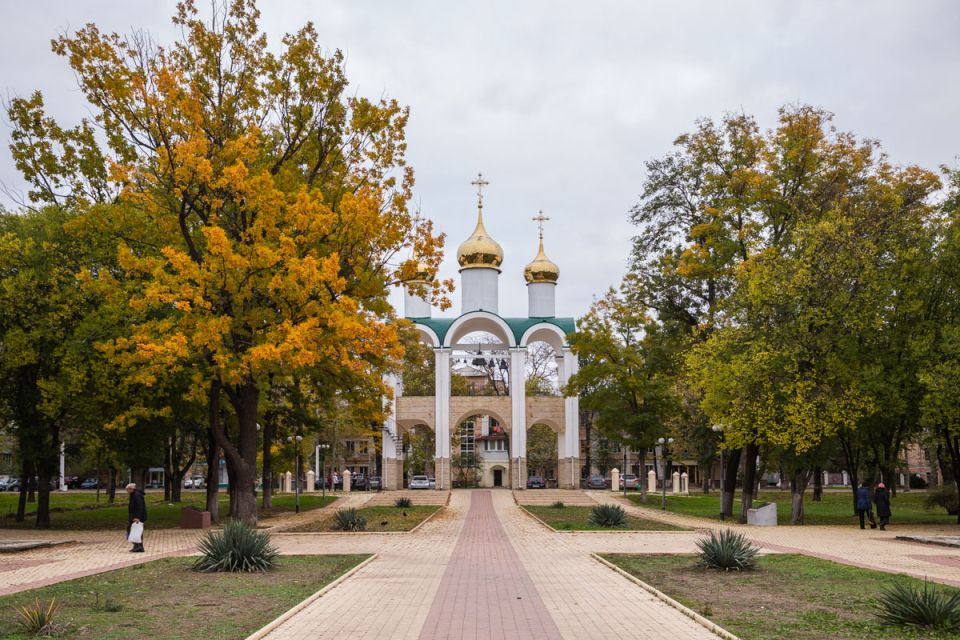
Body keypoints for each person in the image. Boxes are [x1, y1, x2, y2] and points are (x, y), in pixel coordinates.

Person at [126, 482, 147, 552]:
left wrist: (138, 517)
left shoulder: (136, 495)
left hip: (137, 517)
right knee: (135, 531)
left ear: (131, 489)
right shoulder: (134, 494)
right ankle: (138, 546)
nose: (127, 491)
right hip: (135, 516)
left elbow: (139, 507)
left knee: (133, 530)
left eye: (127, 490)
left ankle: (138, 546)